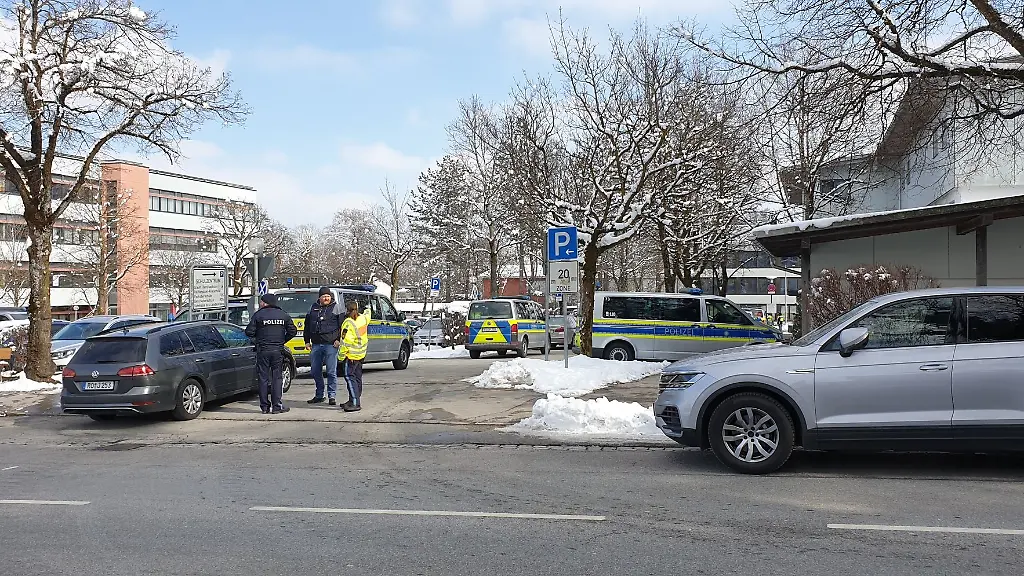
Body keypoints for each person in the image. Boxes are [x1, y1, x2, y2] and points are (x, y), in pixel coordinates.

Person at [244, 293, 297, 414]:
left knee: (263, 378)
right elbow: (293, 331)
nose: (261, 303)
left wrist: (258, 340)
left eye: (262, 301)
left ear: (265, 302)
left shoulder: (258, 315)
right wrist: (282, 340)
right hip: (277, 350)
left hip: (263, 350)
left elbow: (249, 332)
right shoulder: (283, 315)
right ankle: (277, 406)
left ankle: (264, 407)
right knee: (277, 378)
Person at [304, 287, 344, 405]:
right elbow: (307, 325)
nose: (326, 298)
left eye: (328, 296)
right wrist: (307, 341)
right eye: (324, 296)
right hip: (316, 344)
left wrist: (338, 340)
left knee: (331, 372)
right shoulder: (313, 308)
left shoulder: (336, 307)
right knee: (315, 371)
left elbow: (342, 325)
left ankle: (332, 396)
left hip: (331, 344)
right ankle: (319, 395)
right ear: (319, 298)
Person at [338, 300, 371, 412]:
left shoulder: (348, 323)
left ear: (347, 310)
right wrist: (366, 307)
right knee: (357, 378)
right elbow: (368, 314)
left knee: (349, 378)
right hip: (361, 354)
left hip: (351, 355)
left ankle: (356, 403)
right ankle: (353, 399)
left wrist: (340, 356)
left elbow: (345, 342)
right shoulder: (362, 318)